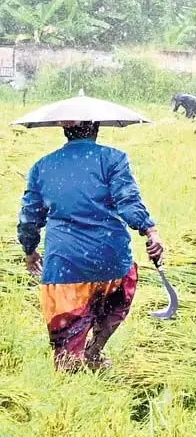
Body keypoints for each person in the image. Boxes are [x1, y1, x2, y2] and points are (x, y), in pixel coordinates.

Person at [17, 121, 166, 372]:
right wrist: (150, 230)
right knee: (116, 301)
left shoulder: (42, 167)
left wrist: (30, 251)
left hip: (65, 266)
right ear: (96, 127)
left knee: (66, 347)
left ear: (63, 128)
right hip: (112, 262)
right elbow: (128, 202)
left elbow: (30, 217)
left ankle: (71, 374)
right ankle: (95, 351)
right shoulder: (113, 159)